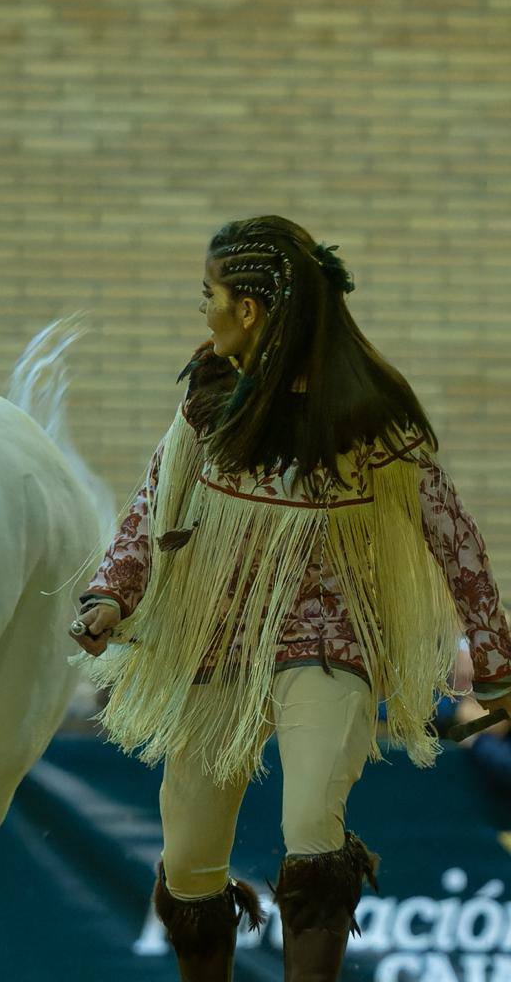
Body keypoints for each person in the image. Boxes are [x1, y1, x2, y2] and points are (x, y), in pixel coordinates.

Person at [66, 215, 511, 981]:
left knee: (311, 824)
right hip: (217, 639)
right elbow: (152, 503)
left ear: (249, 309)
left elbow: (451, 533)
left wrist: (497, 660)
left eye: (208, 294)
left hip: (331, 639)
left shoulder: (370, 413)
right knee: (189, 859)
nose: (200, 310)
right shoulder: (209, 398)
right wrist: (111, 594)